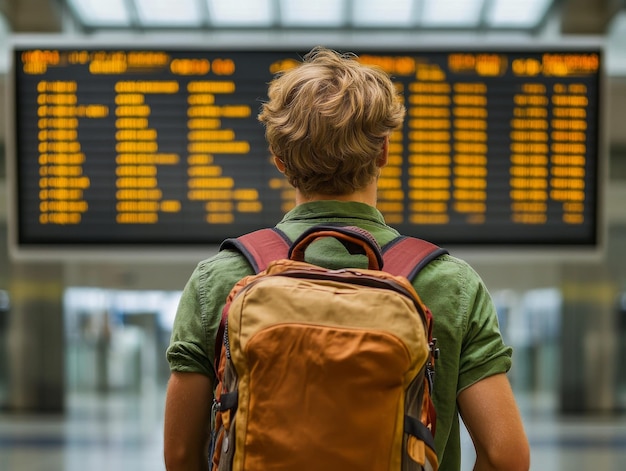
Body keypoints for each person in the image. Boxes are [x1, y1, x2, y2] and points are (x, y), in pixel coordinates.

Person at [163, 46, 530, 471]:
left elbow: (180, 454)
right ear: (383, 153)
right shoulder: (451, 284)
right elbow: (507, 456)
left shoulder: (219, 279)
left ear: (280, 162)